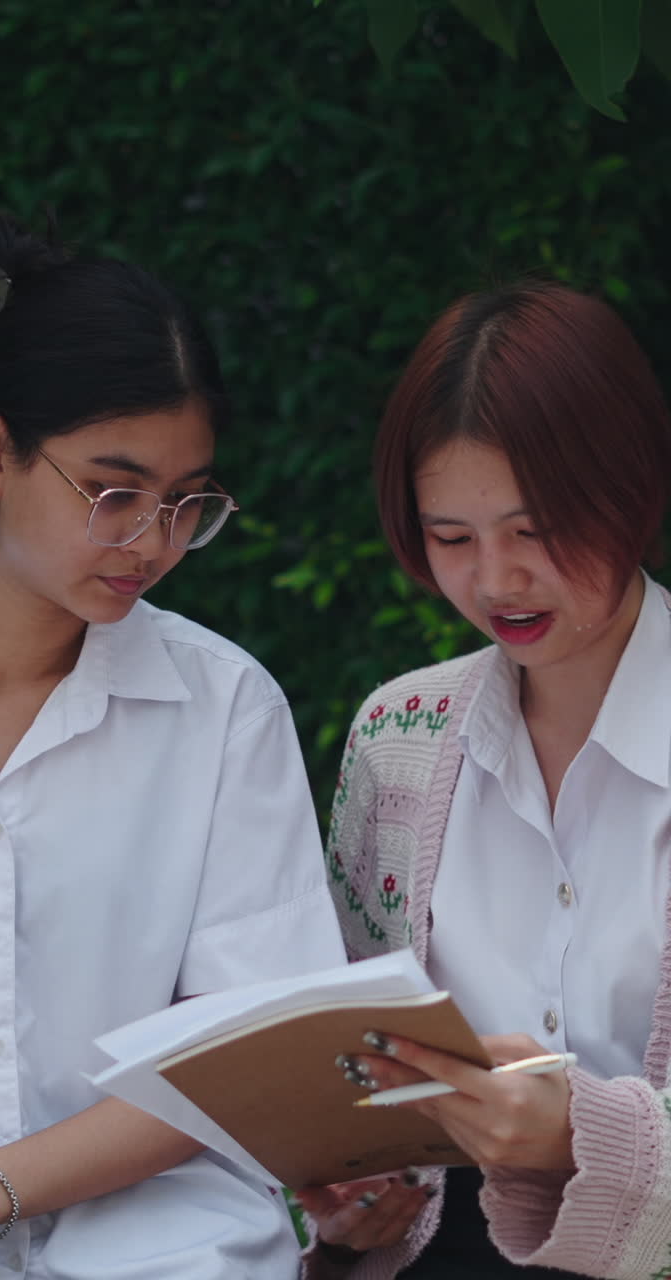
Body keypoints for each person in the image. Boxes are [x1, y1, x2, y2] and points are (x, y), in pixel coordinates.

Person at [0, 212, 346, 1279]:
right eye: (113, 491)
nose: (154, 543)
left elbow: (254, 1054)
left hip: (164, 1251)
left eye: (184, 502)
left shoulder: (223, 709)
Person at [298, 280, 671, 1279]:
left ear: (631, 485)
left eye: (533, 526)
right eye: (451, 537)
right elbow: (346, 1063)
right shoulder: (398, 734)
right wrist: (344, 1200)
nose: (496, 579)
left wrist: (576, 1137)